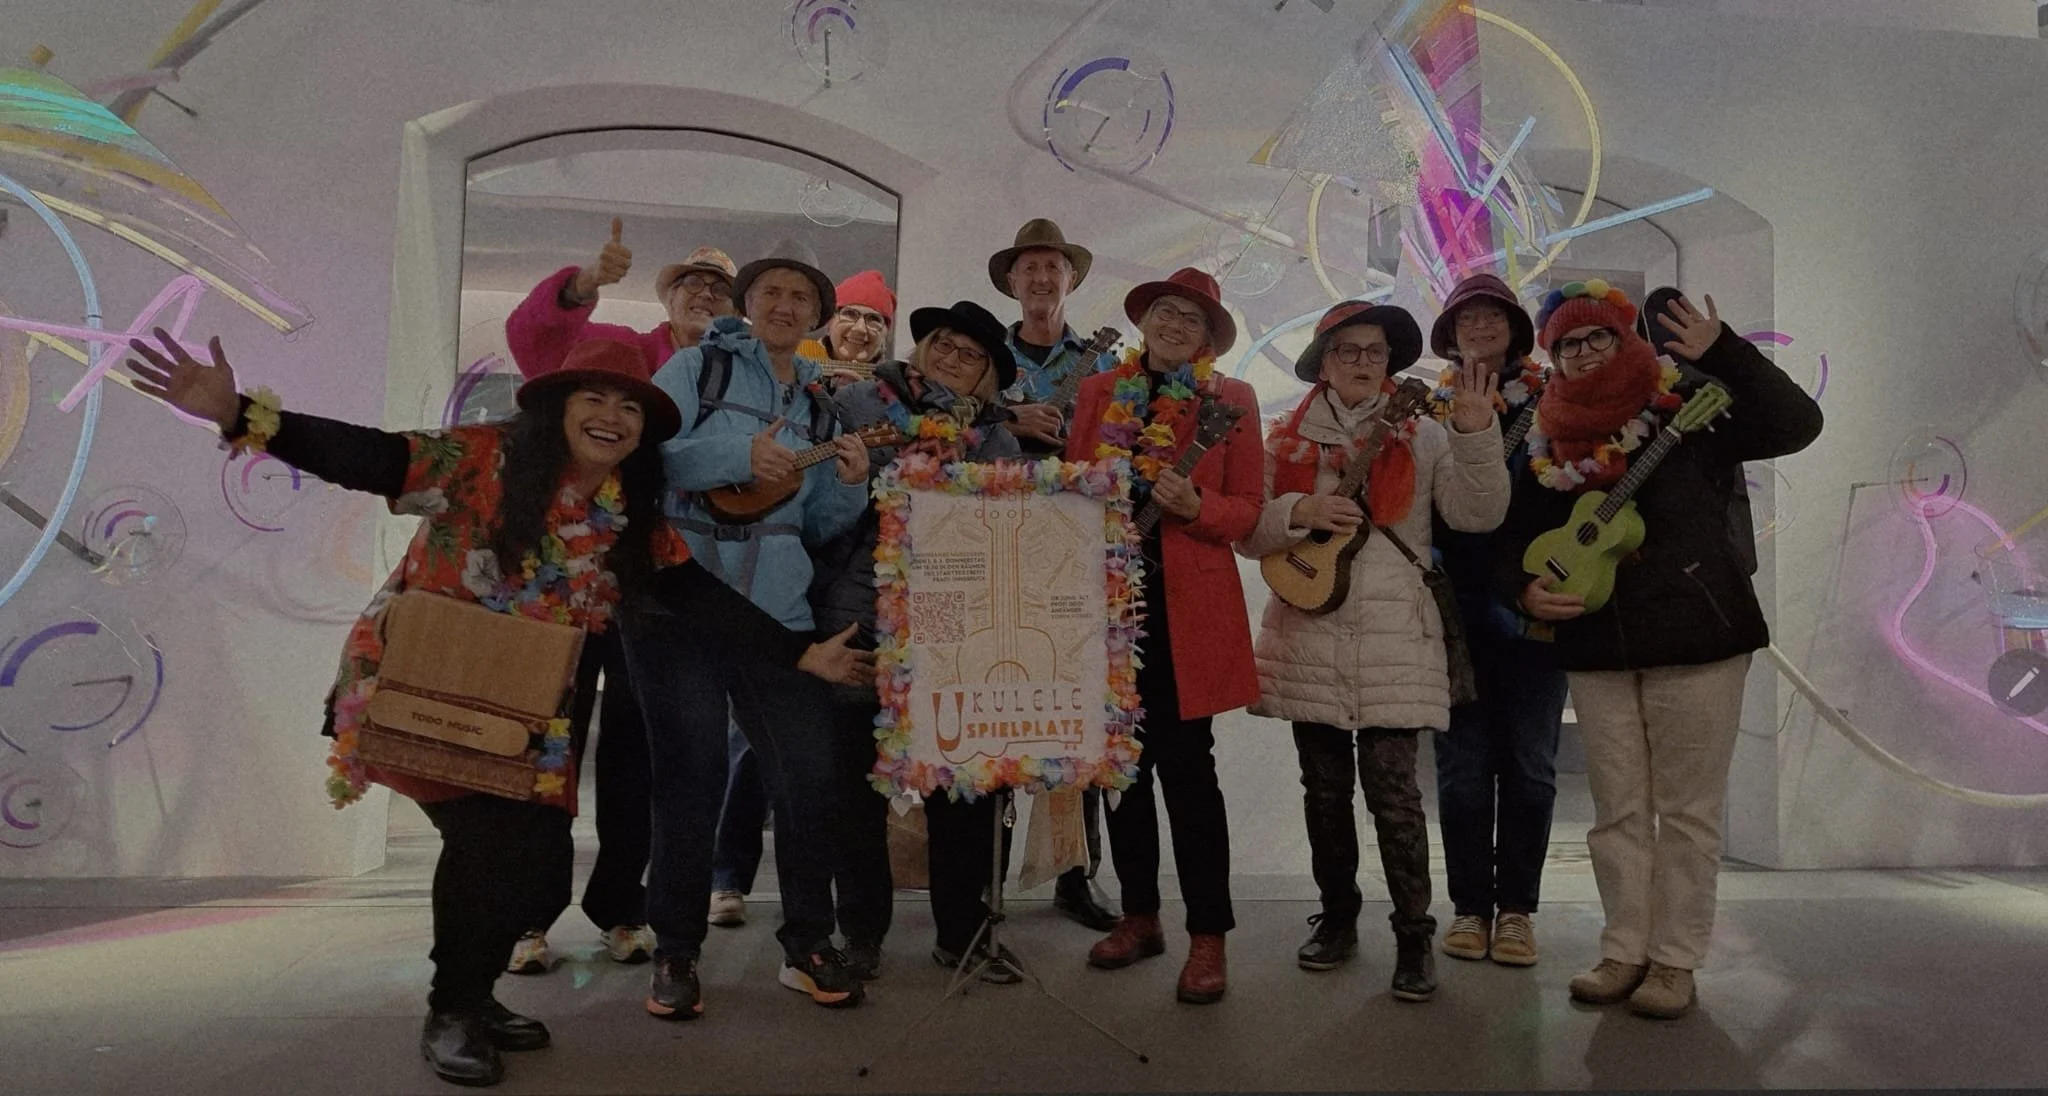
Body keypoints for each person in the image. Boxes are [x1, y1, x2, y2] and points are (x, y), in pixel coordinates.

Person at [121, 332, 867, 1088]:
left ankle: (473, 994)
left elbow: (696, 595)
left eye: (629, 407)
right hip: (427, 688)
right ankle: (452, 1011)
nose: (612, 416)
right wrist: (241, 414)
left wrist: (799, 654)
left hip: (528, 716)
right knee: (488, 850)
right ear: (558, 408)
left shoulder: (624, 512)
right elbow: (371, 457)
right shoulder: (480, 458)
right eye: (594, 398)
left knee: (540, 875)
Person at [1493, 282, 1822, 1019]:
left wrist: (1726, 351)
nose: (1580, 355)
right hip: (1596, 640)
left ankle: (1674, 960)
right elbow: (1514, 536)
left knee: (1688, 812)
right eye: (1566, 344)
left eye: (1596, 338)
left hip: (1697, 635)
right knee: (1616, 812)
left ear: (1625, 339)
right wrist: (1523, 587)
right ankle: (1624, 949)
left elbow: (1797, 423)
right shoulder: (1549, 431)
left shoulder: (1689, 403)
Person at [628, 240, 878, 1016]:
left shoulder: (822, 406)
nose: (784, 306)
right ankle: (674, 949)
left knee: (807, 781)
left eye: (800, 298)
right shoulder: (698, 367)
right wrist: (738, 451)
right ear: (748, 301)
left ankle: (807, 942)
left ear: (816, 318)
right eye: (770, 291)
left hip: (779, 612)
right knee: (691, 778)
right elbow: (646, 451)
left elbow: (813, 524)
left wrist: (851, 485)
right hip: (678, 605)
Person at [1236, 300, 1507, 1002]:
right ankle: (1338, 917)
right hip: (1308, 630)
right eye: (1348, 350)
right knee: (1323, 792)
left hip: (1396, 633)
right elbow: (1248, 532)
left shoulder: (1423, 434)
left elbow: (1478, 515)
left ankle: (1414, 935)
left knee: (1395, 793)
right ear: (1323, 360)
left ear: (1392, 364)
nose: (1362, 362)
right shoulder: (1282, 441)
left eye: (1376, 352)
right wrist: (1299, 513)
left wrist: (1477, 437)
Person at [807, 300, 1022, 981]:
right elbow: (820, 507)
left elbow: (1006, 536)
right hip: (858, 613)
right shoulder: (859, 404)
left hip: (950, 630)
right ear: (922, 346)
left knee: (961, 783)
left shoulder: (995, 437)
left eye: (970, 354)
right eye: (944, 344)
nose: (953, 358)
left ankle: (960, 932)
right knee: (854, 787)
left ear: (986, 373)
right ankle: (861, 931)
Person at [1065, 267, 1262, 1004]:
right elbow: (1070, 488)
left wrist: (1196, 503)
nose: (1177, 323)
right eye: (1167, 311)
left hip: (1188, 613)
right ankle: (1140, 915)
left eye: (1194, 318)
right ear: (1145, 319)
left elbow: (1247, 512)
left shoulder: (1231, 401)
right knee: (1123, 774)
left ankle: (1208, 936)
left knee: (1189, 773)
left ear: (1210, 338)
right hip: (1108, 606)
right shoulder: (1097, 394)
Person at [1424, 273, 1571, 969]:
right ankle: (1468, 908)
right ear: (1449, 335)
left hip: (1536, 607)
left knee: (1533, 769)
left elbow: (1565, 503)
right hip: (1451, 613)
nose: (1479, 326)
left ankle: (1517, 910)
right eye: (1466, 318)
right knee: (1460, 770)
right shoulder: (1423, 406)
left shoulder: (1554, 402)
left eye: (1493, 315)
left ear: (1514, 328)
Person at [987, 216, 1118, 931]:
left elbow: (1123, 444)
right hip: (995, 557)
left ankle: (1075, 874)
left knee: (1076, 718)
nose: (1041, 280)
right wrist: (1010, 420)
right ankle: (989, 878)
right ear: (1012, 281)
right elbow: (957, 424)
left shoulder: (1101, 365)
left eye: (1053, 269)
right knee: (995, 708)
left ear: (1071, 280)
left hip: (1075, 557)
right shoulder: (984, 359)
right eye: (1029, 268)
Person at [505, 217, 736, 377]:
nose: (706, 293)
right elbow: (531, 338)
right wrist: (583, 283)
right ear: (671, 298)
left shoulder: (754, 374)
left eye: (721, 290)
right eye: (693, 283)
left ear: (737, 312)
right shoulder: (619, 352)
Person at [800, 269, 897, 383]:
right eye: (850, 314)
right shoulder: (794, 365)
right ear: (830, 320)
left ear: (886, 333)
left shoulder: (896, 388)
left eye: (874, 319)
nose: (860, 328)